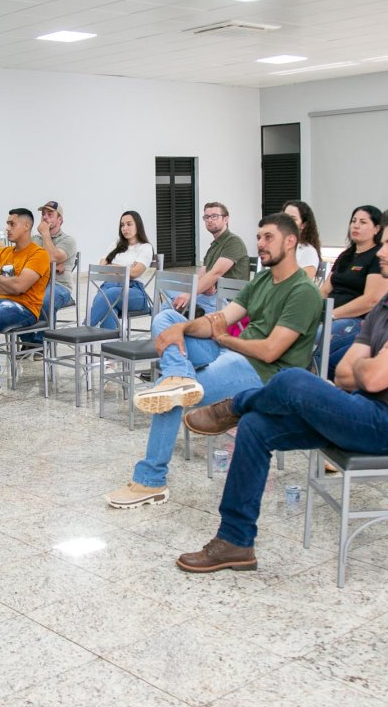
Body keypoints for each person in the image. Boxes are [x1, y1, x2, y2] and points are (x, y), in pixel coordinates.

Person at [178, 211, 388, 573]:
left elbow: (371, 380)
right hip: (361, 409)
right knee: (256, 428)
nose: (382, 252)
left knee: (293, 379)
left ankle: (236, 404)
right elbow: (345, 374)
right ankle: (236, 541)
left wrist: (369, 368)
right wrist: (373, 363)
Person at [106, 213, 322, 508]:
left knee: (168, 397)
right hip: (231, 352)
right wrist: (182, 327)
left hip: (263, 371)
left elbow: (272, 351)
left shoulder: (303, 291)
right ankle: (179, 378)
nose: (259, 244)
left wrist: (225, 339)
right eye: (258, 237)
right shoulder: (262, 280)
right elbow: (221, 319)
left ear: (291, 241)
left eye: (267, 237)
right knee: (167, 319)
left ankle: (151, 481)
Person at [0, 208, 51, 391]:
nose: (7, 228)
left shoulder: (38, 254)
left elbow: (20, 287)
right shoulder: (3, 252)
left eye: (12, 224)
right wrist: (8, 284)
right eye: (7, 223)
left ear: (26, 226)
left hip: (23, 308)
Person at [317, 205, 388, 379]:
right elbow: (326, 289)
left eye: (363, 222)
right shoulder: (346, 255)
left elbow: (371, 300)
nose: (355, 226)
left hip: (356, 320)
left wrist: (332, 315)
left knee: (316, 340)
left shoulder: (378, 257)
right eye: (353, 221)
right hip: (330, 315)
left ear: (376, 229)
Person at [170, 202, 250, 316]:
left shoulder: (233, 242)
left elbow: (215, 273)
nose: (209, 220)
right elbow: (202, 275)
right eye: (206, 217)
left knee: (172, 307)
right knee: (171, 292)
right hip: (211, 296)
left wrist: (190, 294)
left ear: (226, 219)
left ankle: (182, 326)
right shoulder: (213, 246)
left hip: (227, 301)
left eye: (214, 216)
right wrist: (203, 287)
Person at [22, 200, 77, 344]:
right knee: (15, 298)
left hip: (60, 286)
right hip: (37, 282)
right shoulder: (34, 239)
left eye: (50, 214)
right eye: (43, 214)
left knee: (45, 300)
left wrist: (45, 234)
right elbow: (24, 262)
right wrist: (51, 266)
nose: (45, 217)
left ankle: (42, 343)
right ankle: (28, 341)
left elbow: (52, 257)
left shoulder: (68, 240)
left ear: (60, 220)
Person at [88, 210, 154, 329]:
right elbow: (101, 267)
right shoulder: (116, 244)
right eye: (122, 225)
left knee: (108, 295)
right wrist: (126, 269)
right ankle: (111, 345)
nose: (125, 228)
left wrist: (112, 267)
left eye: (129, 224)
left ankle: (85, 328)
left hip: (135, 292)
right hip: (110, 288)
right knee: (108, 304)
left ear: (138, 225)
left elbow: (135, 273)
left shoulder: (145, 247)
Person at [282, 200, 322, 279]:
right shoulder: (279, 246)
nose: (286, 222)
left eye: (293, 219)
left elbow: (303, 285)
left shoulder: (308, 252)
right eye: (284, 217)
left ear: (303, 225)